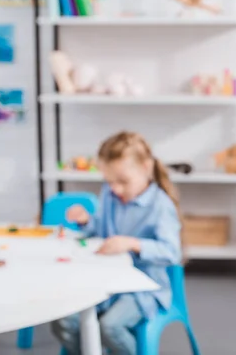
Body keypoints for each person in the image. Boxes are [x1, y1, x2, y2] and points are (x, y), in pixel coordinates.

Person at [51, 131, 182, 355]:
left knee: (110, 327)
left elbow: (172, 253)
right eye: (109, 181)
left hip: (143, 289)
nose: (115, 189)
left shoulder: (160, 205)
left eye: (123, 181)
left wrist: (133, 244)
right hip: (108, 281)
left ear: (146, 167)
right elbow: (101, 231)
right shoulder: (110, 194)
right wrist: (86, 220)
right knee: (62, 320)